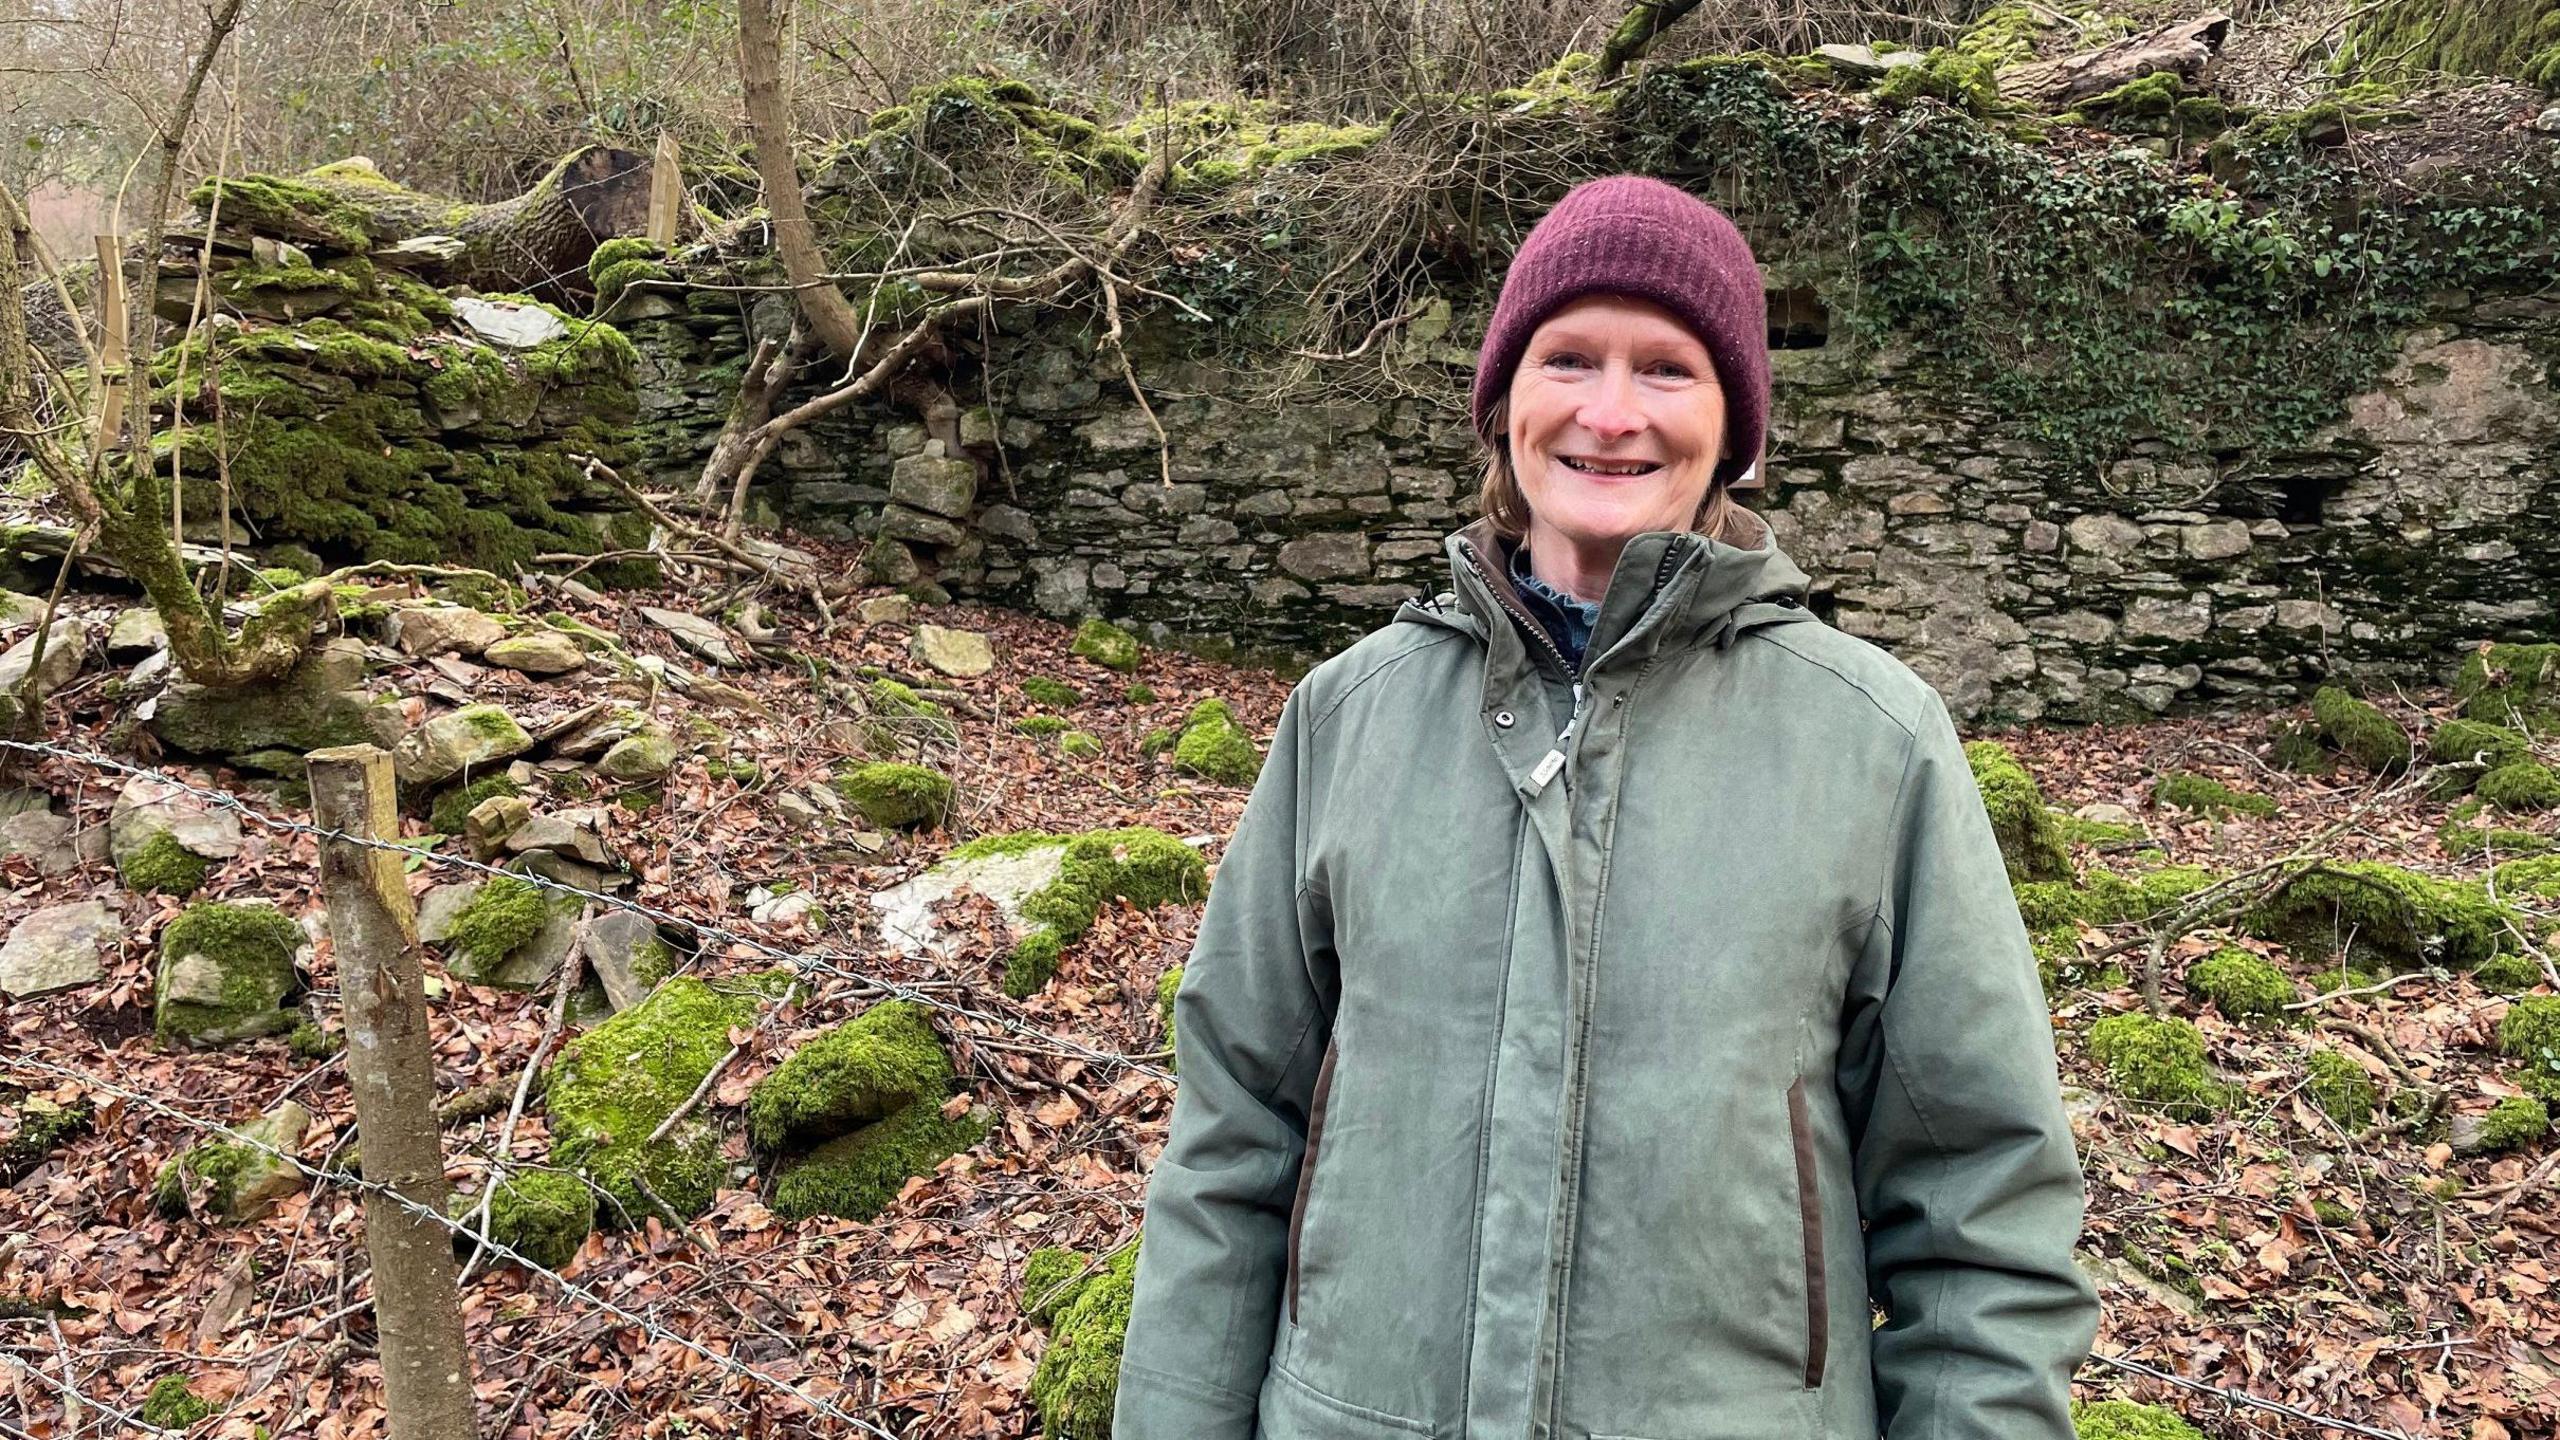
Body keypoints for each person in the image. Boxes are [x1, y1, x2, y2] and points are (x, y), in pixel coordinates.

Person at [1113, 174, 2099, 1440]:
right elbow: (1229, 1146)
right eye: (1567, 357)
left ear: (1736, 428)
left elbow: (1982, 1204)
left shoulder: (1874, 742)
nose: (1610, 414)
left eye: (1667, 369)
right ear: (1504, 404)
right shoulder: (1342, 719)